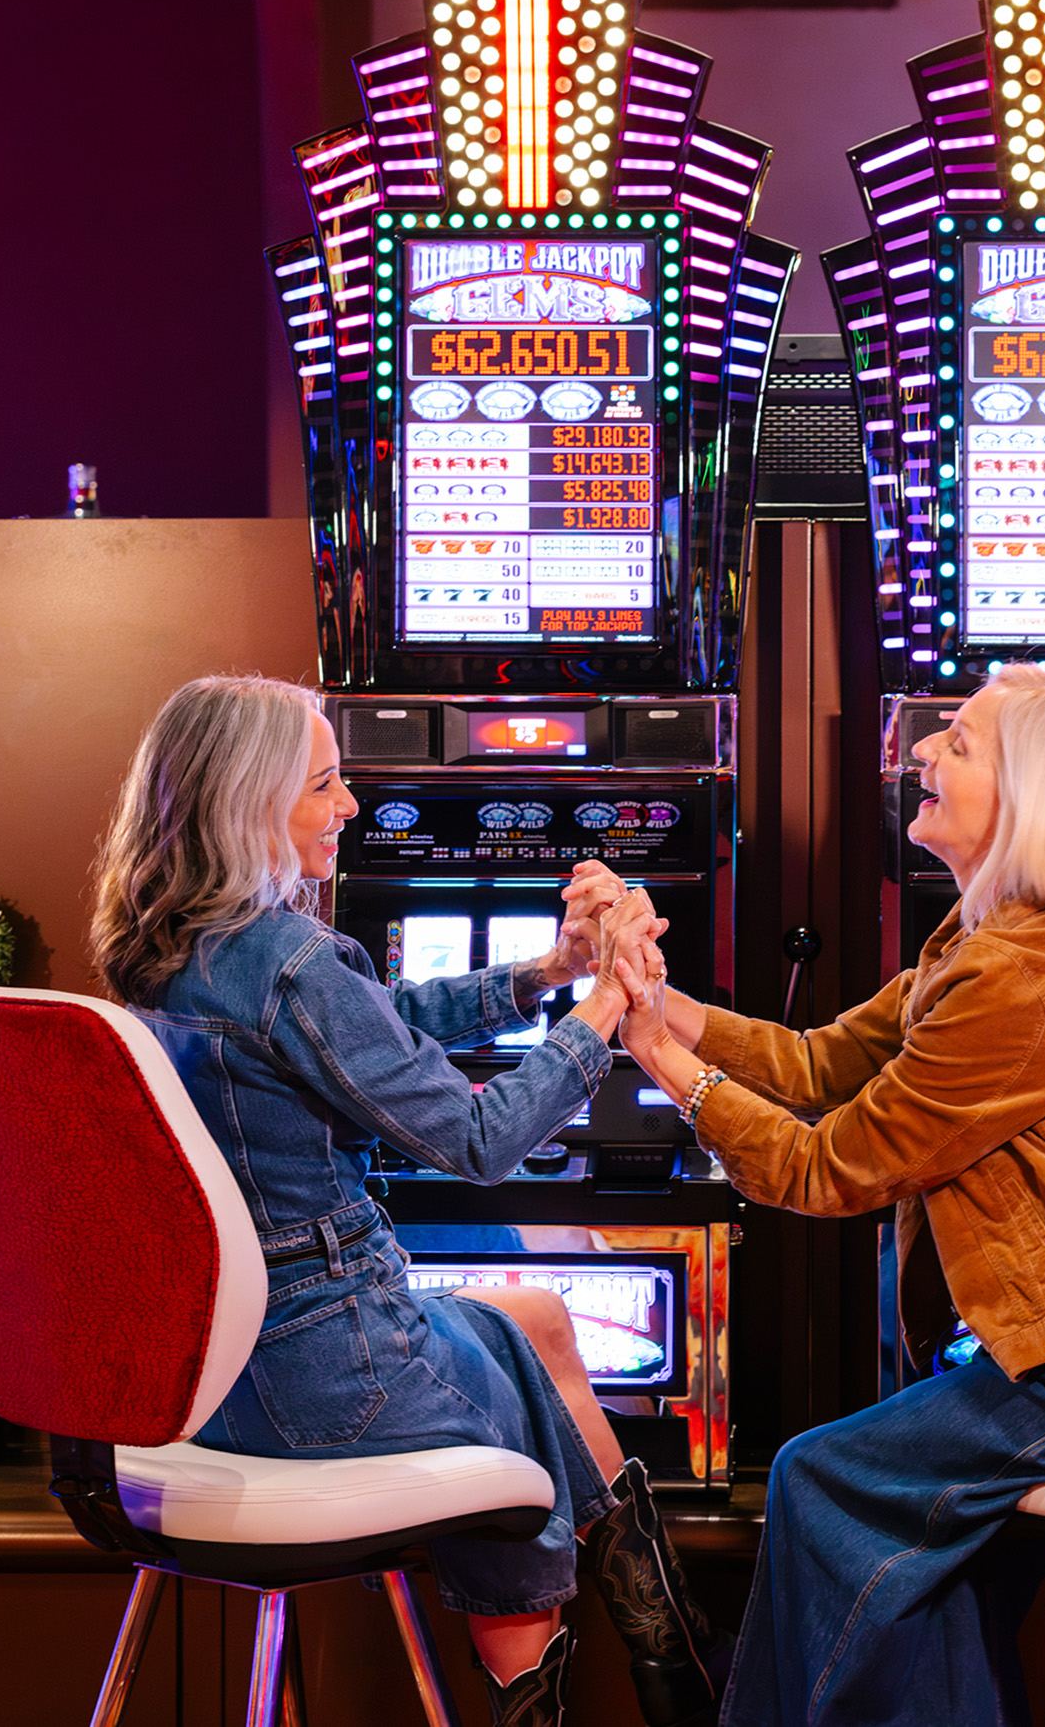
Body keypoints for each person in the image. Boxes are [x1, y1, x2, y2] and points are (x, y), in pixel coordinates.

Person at [599, 666, 1045, 1727]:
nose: (921, 752)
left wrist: (664, 1065)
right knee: (929, 1552)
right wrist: (654, 998)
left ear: (1030, 795)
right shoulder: (985, 941)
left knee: (819, 1481)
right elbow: (821, 1066)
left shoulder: (1022, 971)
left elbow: (824, 1169)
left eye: (957, 742)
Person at [89, 675, 726, 1727]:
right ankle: (658, 1679)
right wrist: (610, 1001)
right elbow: (481, 1141)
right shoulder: (290, 958)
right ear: (248, 801)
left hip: (206, 1368)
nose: (350, 807)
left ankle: (676, 1661)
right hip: (324, 1368)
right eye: (325, 784)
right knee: (516, 1445)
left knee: (539, 1322)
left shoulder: (172, 942)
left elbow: (371, 1017)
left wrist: (548, 972)